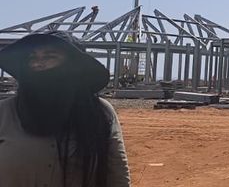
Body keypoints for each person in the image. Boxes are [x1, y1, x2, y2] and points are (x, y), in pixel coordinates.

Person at [0, 31, 131, 187]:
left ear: (71, 65)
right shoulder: (4, 112)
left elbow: (117, 173)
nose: (38, 64)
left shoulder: (98, 112)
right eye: (32, 58)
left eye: (50, 56)